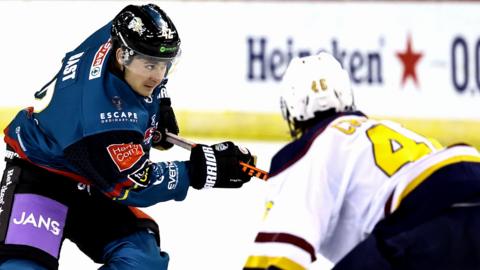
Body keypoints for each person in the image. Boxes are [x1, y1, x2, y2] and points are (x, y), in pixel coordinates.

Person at [0, 3, 255, 270]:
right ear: (123, 56)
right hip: (42, 177)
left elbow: (153, 58)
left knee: (142, 262)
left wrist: (160, 105)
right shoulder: (100, 119)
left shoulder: (119, 36)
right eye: (149, 66)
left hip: (90, 179)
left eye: (164, 65)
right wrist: (201, 170)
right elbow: (136, 183)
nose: (158, 76)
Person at [243, 52, 480, 270]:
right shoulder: (394, 131)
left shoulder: (309, 150)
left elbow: (277, 254)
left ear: (291, 109)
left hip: (423, 225)